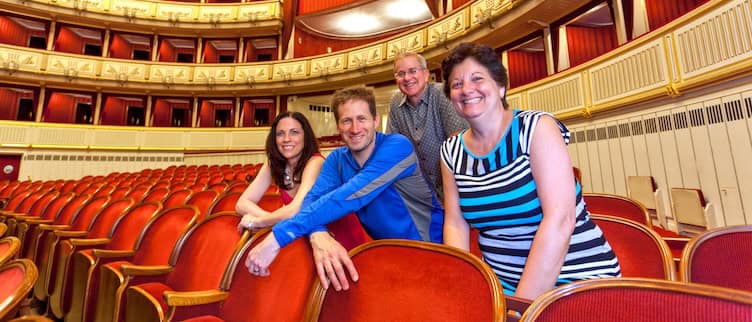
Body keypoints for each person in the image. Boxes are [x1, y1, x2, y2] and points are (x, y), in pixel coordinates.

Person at [439, 43, 620, 300]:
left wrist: (520, 307)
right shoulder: (451, 151)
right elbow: (455, 224)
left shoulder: (536, 128)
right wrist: (465, 288)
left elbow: (560, 220)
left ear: (501, 86)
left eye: (477, 78)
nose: (467, 89)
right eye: (456, 84)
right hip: (500, 285)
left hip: (576, 279)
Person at [245, 86, 443, 291]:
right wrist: (318, 233)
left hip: (430, 251)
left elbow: (351, 195)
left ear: (375, 121)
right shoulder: (337, 159)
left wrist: (278, 236)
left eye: (362, 119)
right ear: (338, 125)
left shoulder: (397, 146)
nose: (355, 128)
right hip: (386, 256)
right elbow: (310, 202)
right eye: (347, 121)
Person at [235, 111, 368, 250]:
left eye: (294, 132)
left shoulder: (316, 162)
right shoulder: (272, 164)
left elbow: (296, 211)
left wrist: (258, 221)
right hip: (306, 238)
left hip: (339, 239)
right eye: (280, 133)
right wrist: (272, 219)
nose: (286, 139)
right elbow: (241, 204)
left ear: (306, 136)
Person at [387, 51, 468, 200]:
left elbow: (458, 144)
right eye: (401, 73)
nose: (407, 78)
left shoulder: (442, 94)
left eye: (413, 71)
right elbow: (393, 149)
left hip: (456, 187)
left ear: (425, 74)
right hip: (421, 194)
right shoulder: (395, 103)